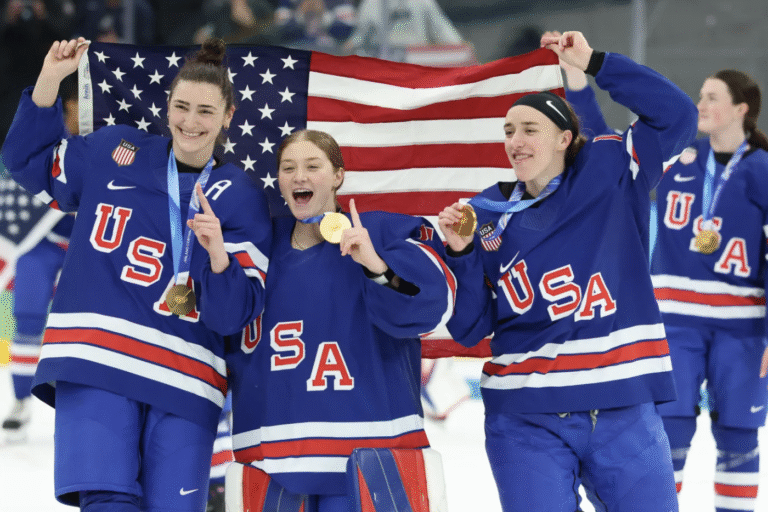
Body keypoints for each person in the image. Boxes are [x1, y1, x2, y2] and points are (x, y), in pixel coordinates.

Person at [1, 36, 272, 511]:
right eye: (181, 107)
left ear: (228, 117)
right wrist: (50, 80)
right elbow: (26, 161)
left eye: (206, 112)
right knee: (107, 501)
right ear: (166, 108)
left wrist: (218, 257)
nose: (191, 121)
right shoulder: (114, 149)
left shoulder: (241, 196)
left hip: (186, 378)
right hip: (96, 359)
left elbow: (233, 317)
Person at [437, 31, 698, 511]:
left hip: (622, 406)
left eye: (529, 129)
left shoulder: (611, 171)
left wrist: (594, 62)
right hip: (525, 418)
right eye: (509, 131)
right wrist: (459, 255)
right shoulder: (481, 215)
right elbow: (469, 327)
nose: (515, 141)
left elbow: (678, 115)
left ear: (564, 138)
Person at [197, 129, 456, 511]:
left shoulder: (381, 231)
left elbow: (432, 310)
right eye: (289, 168)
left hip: (372, 454)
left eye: (312, 166)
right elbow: (224, 320)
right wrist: (219, 259)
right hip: (272, 459)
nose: (299, 176)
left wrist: (376, 265)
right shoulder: (255, 246)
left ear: (338, 175)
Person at [650, 69, 768, 512]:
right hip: (676, 322)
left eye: (711, 97)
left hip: (742, 329)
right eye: (699, 95)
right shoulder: (678, 160)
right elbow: (604, 149)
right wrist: (582, 83)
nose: (700, 104)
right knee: (669, 432)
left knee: (739, 437)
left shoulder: (761, 170)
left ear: (741, 109)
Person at [1, 74, 77, 440]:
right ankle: (19, 400)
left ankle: (91, 412)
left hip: (92, 248)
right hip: (43, 244)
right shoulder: (49, 142)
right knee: (28, 318)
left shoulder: (115, 142)